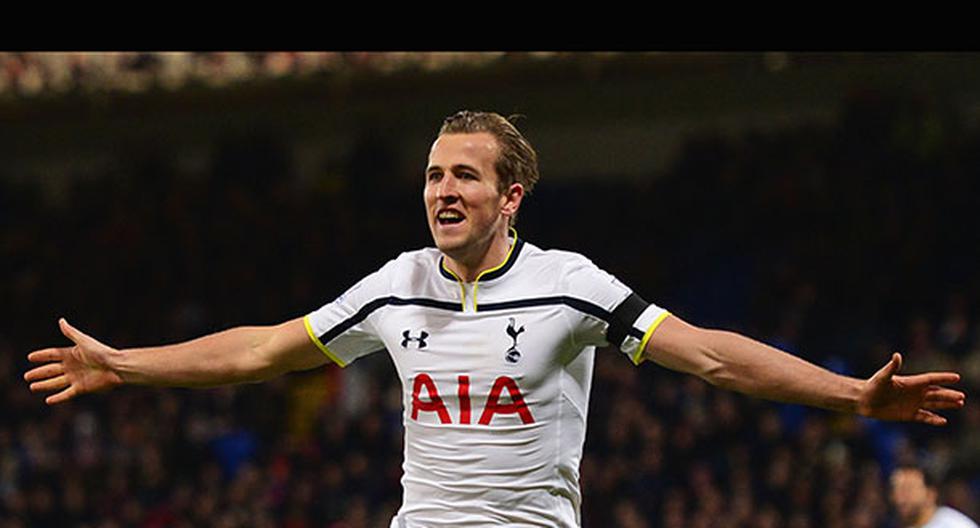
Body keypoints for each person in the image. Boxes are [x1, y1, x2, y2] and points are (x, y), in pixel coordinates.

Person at [25, 111, 967, 527]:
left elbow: (713, 357)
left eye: (464, 174)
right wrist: (129, 365)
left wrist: (848, 394)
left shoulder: (569, 286)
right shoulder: (395, 284)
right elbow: (266, 349)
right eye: (433, 173)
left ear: (510, 196)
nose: (442, 189)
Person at [890, 464, 978, 528]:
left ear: (930, 494)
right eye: (896, 489)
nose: (900, 498)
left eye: (908, 489)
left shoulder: (955, 525)